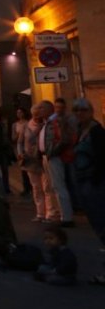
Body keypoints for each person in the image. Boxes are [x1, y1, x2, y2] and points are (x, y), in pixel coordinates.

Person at [70, 98, 105, 285]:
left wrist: (96, 181)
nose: (78, 114)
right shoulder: (80, 131)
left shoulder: (96, 131)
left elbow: (101, 158)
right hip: (83, 181)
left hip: (95, 183)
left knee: (102, 224)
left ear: (90, 111)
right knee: (97, 224)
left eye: (82, 110)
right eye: (75, 111)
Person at [37, 100, 74, 227]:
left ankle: (66, 217)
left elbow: (64, 139)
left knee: (59, 185)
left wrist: (52, 152)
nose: (39, 111)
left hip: (54, 157)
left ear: (49, 109)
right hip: (47, 156)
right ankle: (59, 213)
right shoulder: (46, 123)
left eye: (41, 108)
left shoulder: (56, 121)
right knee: (52, 186)